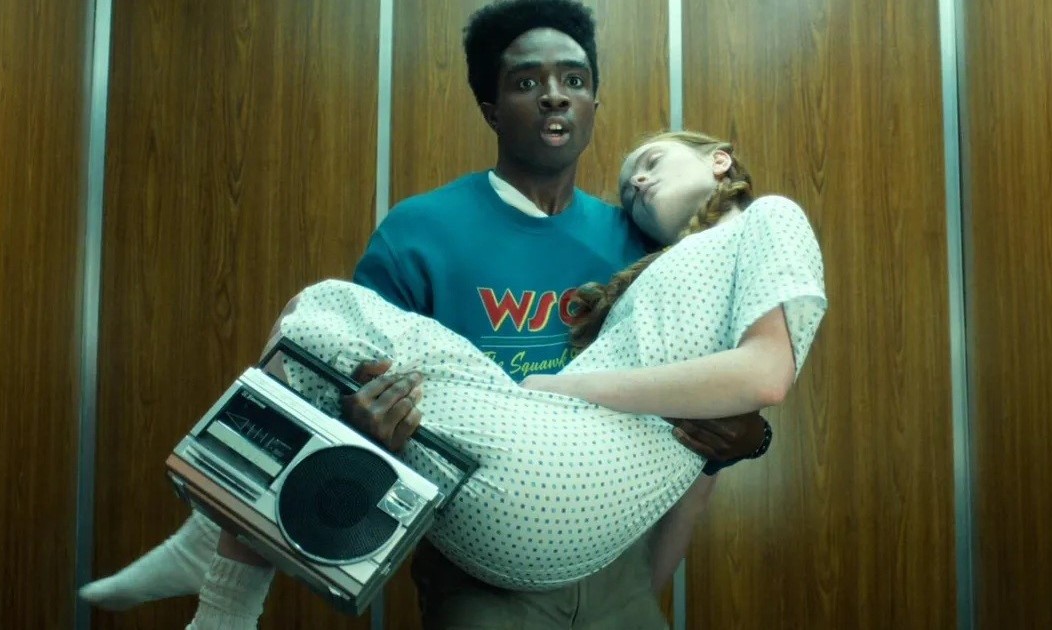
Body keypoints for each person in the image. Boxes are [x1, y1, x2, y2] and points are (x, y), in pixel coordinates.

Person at [80, 1, 770, 627]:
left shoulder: (642, 243)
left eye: (574, 79)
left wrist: (748, 435)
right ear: (491, 109)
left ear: (593, 102)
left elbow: (711, 376)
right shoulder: (419, 232)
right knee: (311, 325)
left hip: (612, 558)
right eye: (526, 81)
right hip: (477, 568)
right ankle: (219, 546)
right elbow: (330, 387)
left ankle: (209, 542)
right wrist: (365, 422)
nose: (555, 94)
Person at [184, 128, 826, 629]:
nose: (635, 183)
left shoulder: (769, 216)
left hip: (573, 490)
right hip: (527, 504)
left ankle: (220, 572)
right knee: (317, 333)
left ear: (720, 161)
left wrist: (561, 389)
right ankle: (220, 537)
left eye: (652, 162)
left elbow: (767, 374)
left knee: (320, 311)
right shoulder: (661, 266)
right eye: (628, 185)